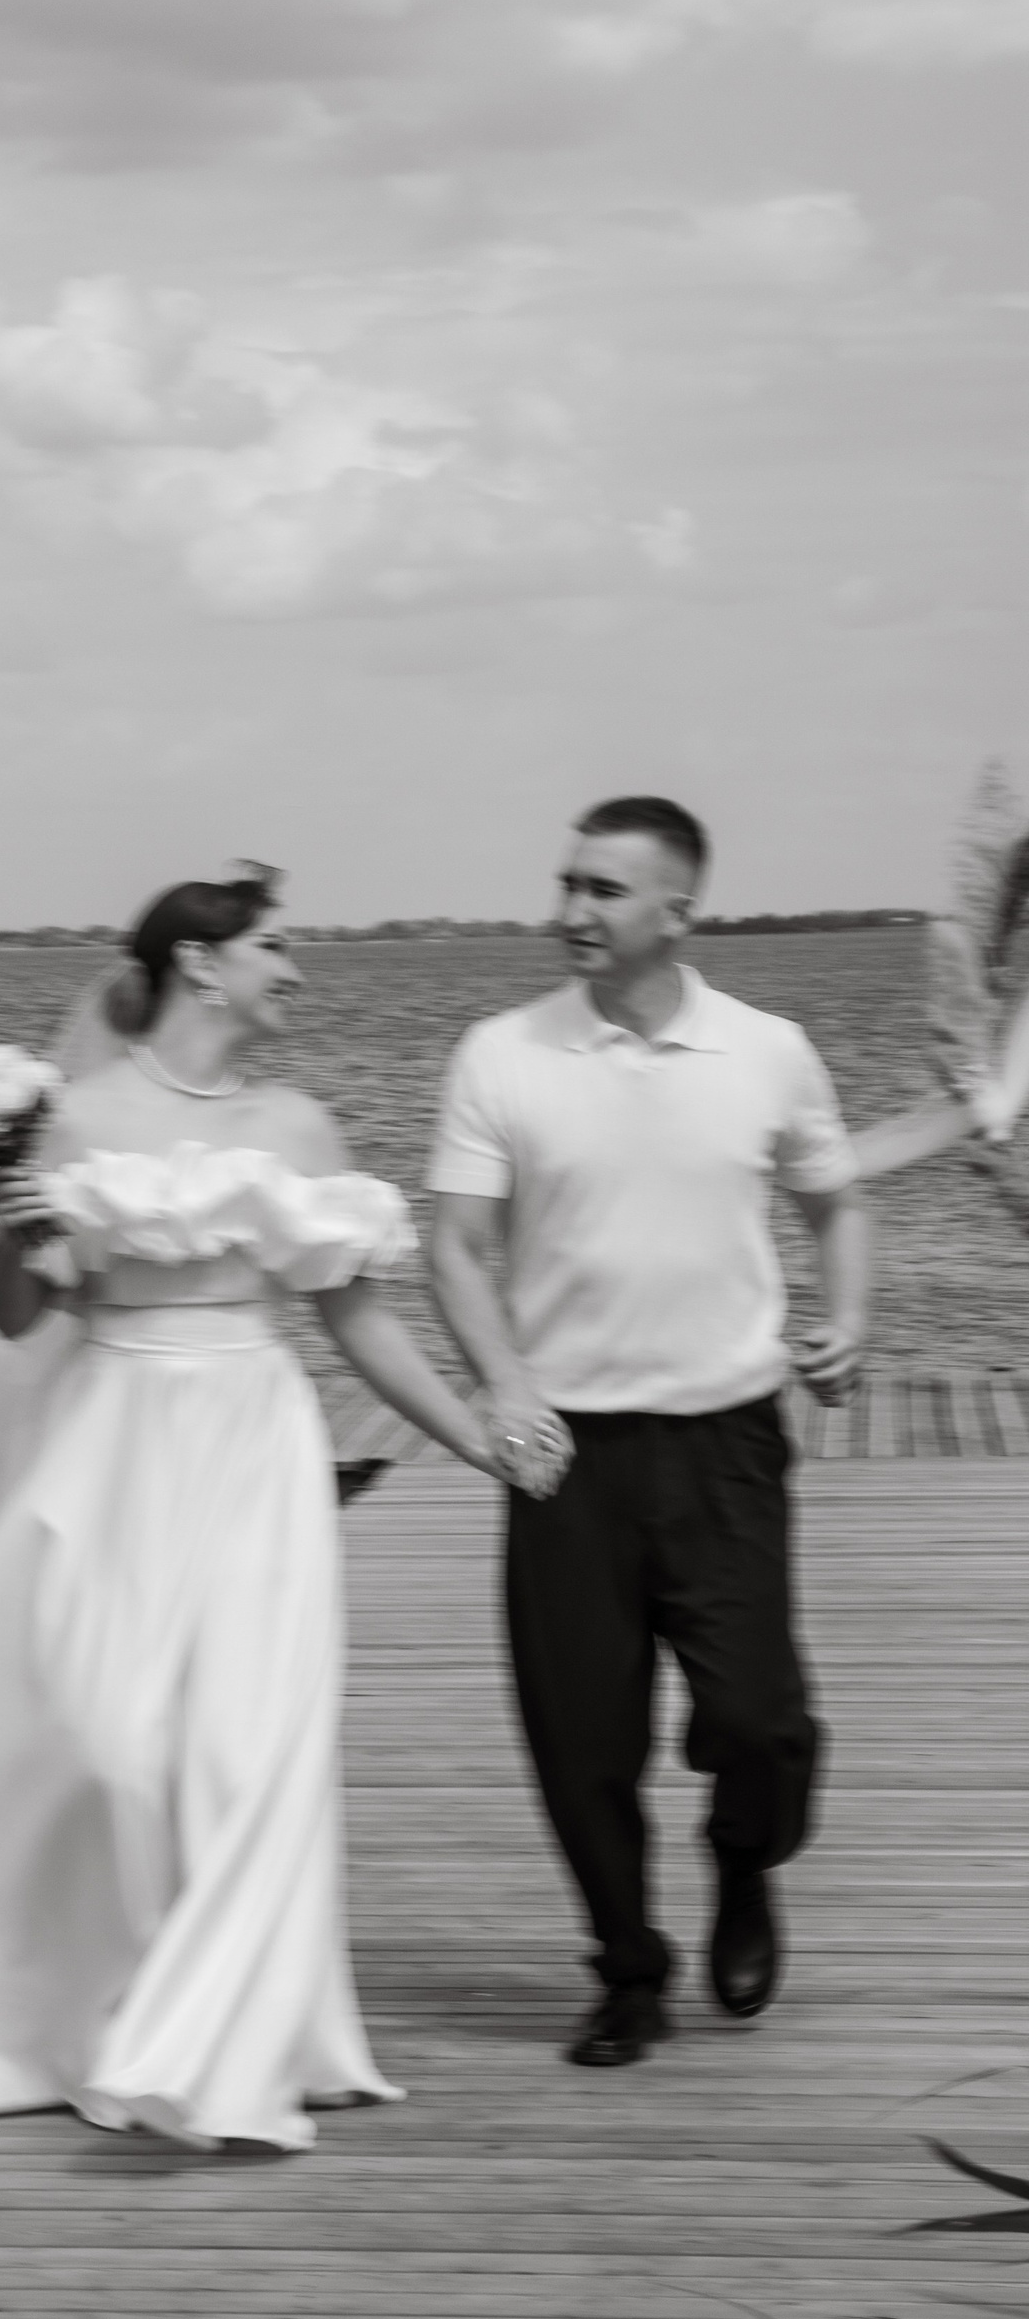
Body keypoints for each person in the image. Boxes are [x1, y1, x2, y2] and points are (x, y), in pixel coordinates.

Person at [0, 868, 511, 2152]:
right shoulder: (72, 1120)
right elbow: (19, 1316)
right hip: (113, 1439)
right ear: (202, 963)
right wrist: (3, 1224)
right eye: (275, 946)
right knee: (112, 1740)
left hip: (252, 1440)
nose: (296, 970)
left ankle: (217, 2049)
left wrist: (478, 1439)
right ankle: (106, 2002)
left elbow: (355, 1315)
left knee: (246, 1749)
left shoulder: (301, 1128)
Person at [426, 798, 872, 2071]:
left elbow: (838, 1206)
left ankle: (743, 1859)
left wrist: (846, 1319)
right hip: (563, 1453)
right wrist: (504, 1386)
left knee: (764, 1721)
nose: (572, 910)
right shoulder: (500, 1054)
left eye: (605, 890)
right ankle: (628, 1972)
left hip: (726, 1442)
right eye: (568, 883)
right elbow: (453, 1246)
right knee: (582, 1741)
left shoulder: (769, 1051)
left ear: (679, 910)